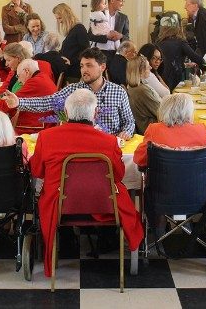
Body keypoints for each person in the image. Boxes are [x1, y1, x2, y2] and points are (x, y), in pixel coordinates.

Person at [30, 88, 143, 277]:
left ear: (66, 113)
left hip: (60, 204)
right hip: (103, 204)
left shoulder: (46, 138)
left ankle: (64, 243)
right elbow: (118, 174)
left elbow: (37, 171)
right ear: (95, 113)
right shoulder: (109, 141)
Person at [1, 48, 136, 139]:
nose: (84, 70)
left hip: (110, 145)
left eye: (89, 65)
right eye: (82, 66)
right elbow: (47, 102)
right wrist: (19, 102)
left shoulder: (118, 92)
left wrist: (127, 132)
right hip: (80, 146)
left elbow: (129, 121)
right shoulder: (73, 90)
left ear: (102, 67)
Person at [133, 93, 206, 167]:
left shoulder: (154, 130)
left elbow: (139, 159)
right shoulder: (202, 130)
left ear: (163, 110)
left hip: (161, 182)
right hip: (198, 182)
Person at [0, 59, 57, 134]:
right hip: (42, 121)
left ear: (26, 71)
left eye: (18, 76)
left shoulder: (34, 82)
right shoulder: (41, 77)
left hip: (38, 127)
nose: (18, 80)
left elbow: (11, 102)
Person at [157, 17, 205, 91]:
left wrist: (183, 64)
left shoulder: (159, 43)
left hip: (160, 76)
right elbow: (194, 57)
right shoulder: (180, 42)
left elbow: (168, 59)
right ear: (178, 29)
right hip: (173, 76)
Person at [125, 56, 161, 134]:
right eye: (148, 67)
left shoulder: (131, 86)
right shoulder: (143, 91)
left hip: (145, 128)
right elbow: (163, 112)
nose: (151, 68)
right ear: (141, 71)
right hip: (152, 131)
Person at [55, 3, 88, 81]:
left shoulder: (79, 29)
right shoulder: (72, 30)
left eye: (60, 18)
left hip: (74, 72)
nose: (59, 22)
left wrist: (72, 61)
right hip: (69, 70)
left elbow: (86, 51)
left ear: (66, 16)